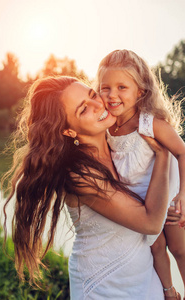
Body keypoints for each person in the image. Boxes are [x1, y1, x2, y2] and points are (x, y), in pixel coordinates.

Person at [3, 76, 170, 300]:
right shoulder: (80, 175)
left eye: (92, 95)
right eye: (83, 110)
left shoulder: (120, 145)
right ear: (68, 131)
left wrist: (167, 288)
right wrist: (164, 153)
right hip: (104, 285)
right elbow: (150, 223)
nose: (98, 105)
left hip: (144, 275)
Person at [96, 49, 185, 300]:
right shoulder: (105, 125)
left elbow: (182, 152)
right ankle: (169, 292)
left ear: (140, 92)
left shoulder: (149, 123)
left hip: (168, 199)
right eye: (105, 88)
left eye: (122, 87)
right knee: (156, 247)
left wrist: (183, 194)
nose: (112, 95)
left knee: (179, 249)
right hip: (141, 206)